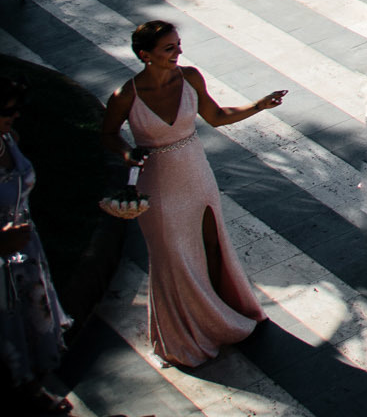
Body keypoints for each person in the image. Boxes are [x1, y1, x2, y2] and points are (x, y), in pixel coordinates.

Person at [99, 21, 284, 368]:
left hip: (197, 173)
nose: (178, 53)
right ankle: (188, 329)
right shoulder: (126, 96)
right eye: (169, 48)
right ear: (145, 55)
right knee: (173, 256)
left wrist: (257, 106)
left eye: (178, 45)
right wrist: (127, 153)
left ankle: (225, 313)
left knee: (213, 244)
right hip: (157, 184)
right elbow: (108, 133)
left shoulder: (190, 78)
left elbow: (215, 116)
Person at [0, 79, 70, 414]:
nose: (14, 117)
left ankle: (37, 387)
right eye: (6, 112)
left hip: (27, 251)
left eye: (16, 110)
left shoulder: (9, 140)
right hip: (2, 261)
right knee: (9, 330)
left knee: (36, 321)